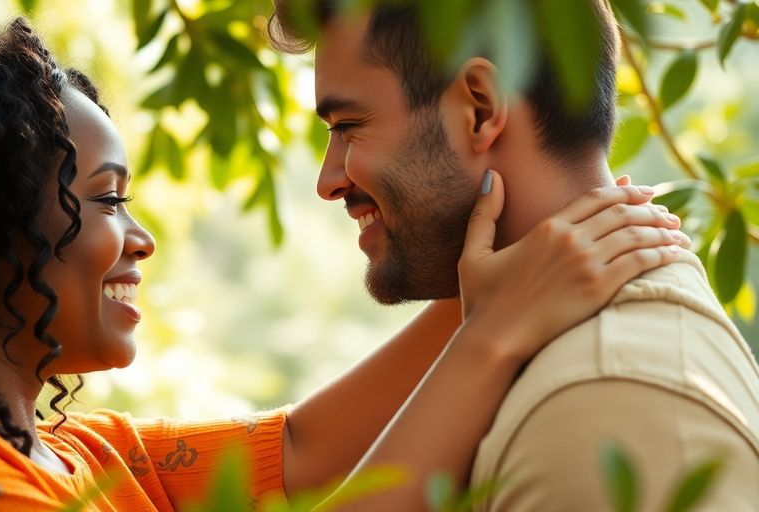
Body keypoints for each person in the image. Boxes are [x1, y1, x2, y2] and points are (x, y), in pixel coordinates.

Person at [0, 11, 687, 512]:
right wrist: (494, 338)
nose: (139, 238)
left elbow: (309, 456)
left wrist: (513, 273)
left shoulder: (81, 460)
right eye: (106, 199)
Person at [268, 0, 759, 510]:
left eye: (348, 125)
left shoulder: (602, 405)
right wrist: (481, 339)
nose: (328, 182)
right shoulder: (549, 360)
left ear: (479, 109)